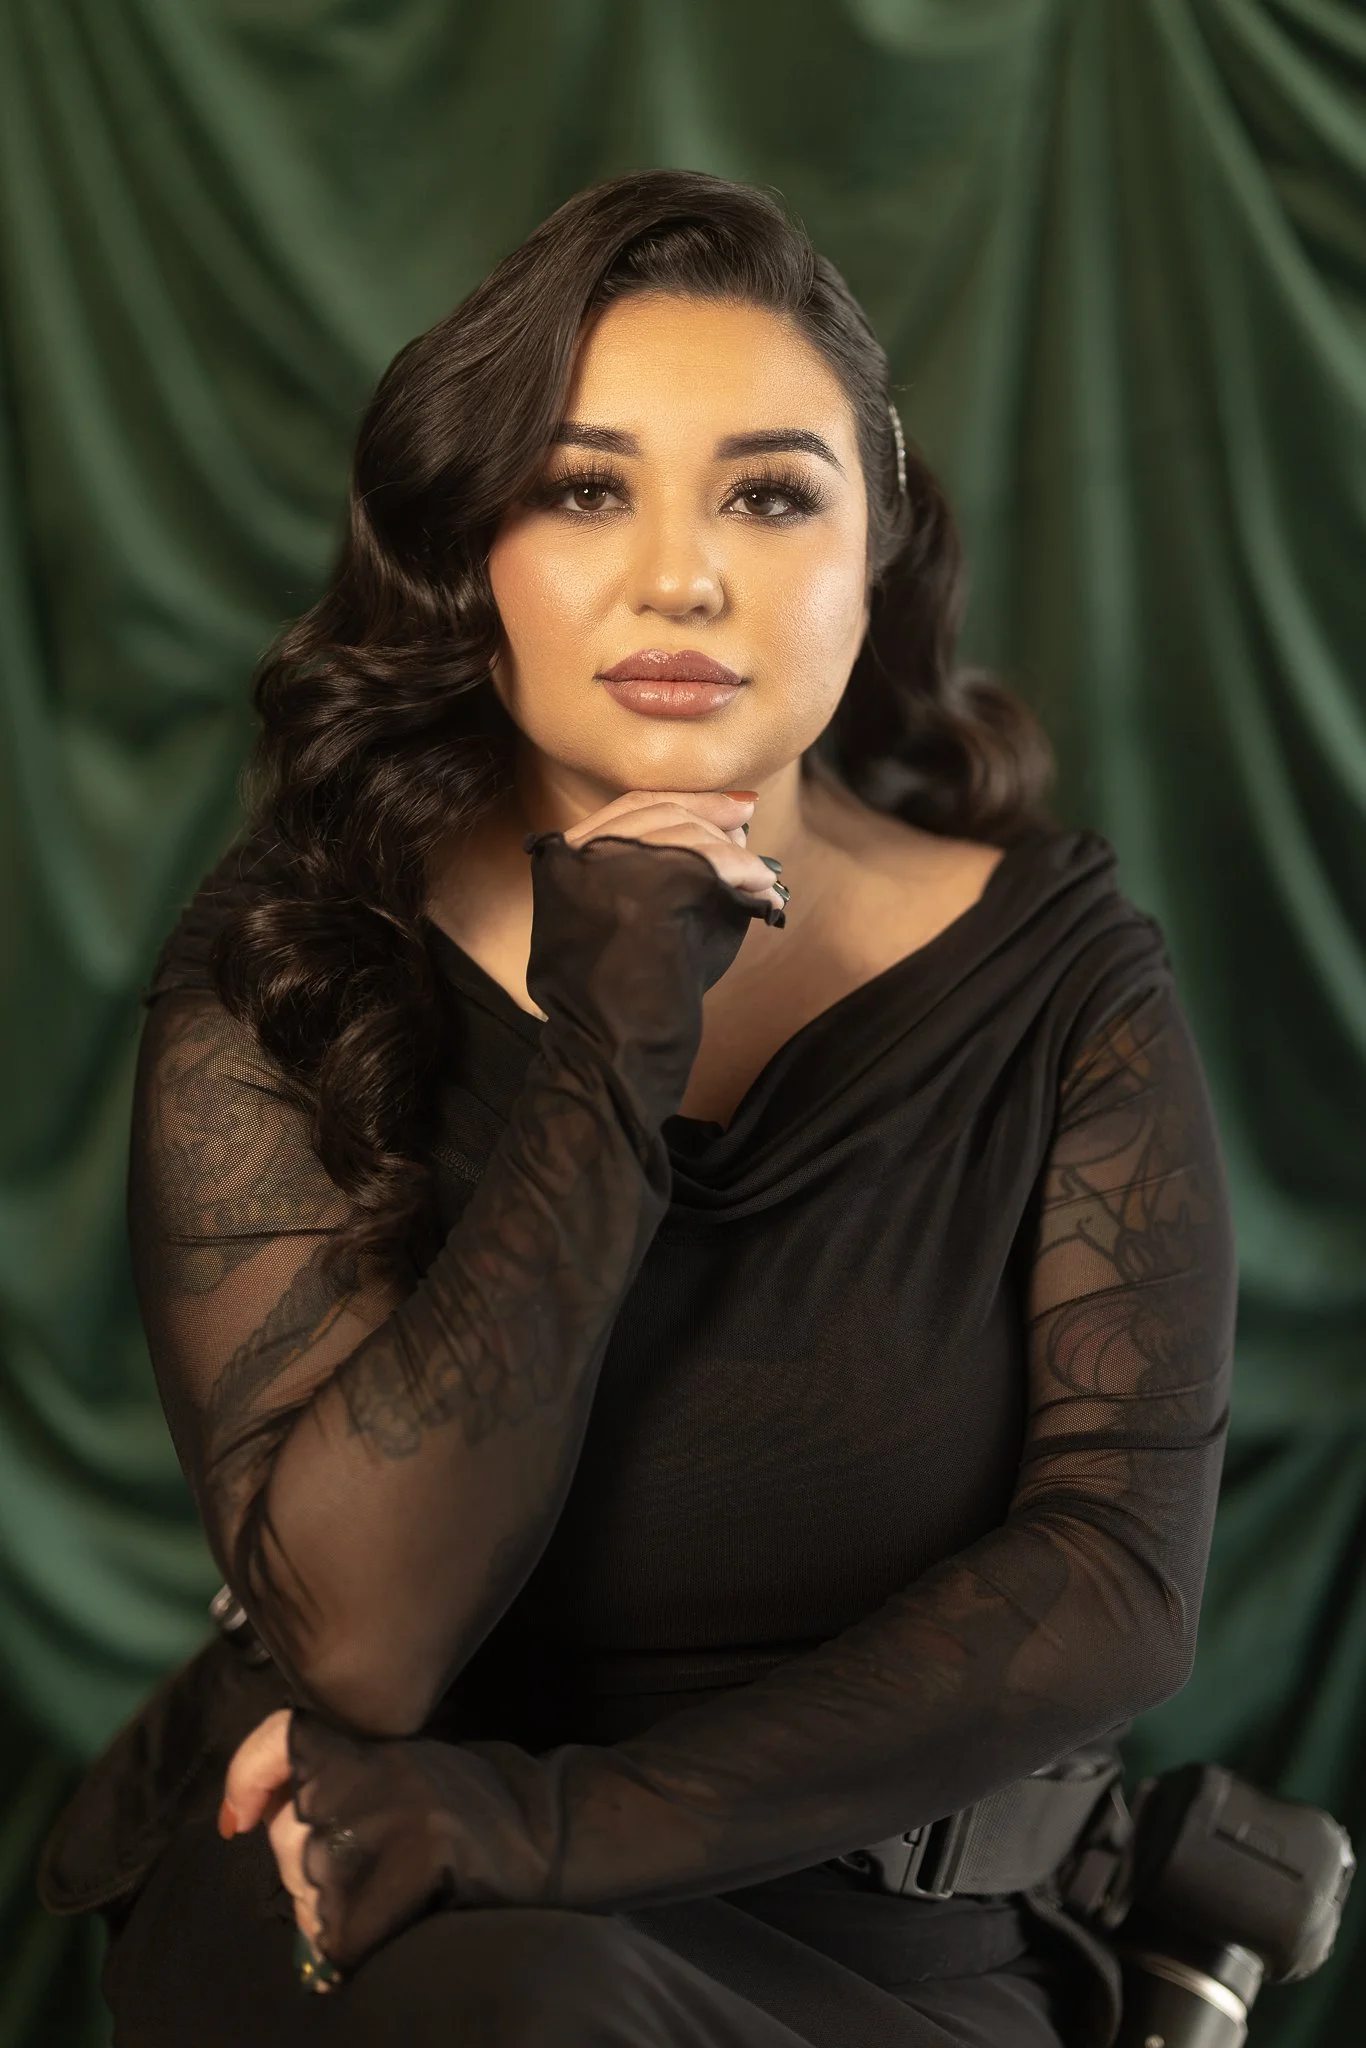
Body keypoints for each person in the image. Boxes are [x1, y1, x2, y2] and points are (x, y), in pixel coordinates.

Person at [39, 169, 1236, 2047]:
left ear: (876, 545)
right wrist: (611, 1039)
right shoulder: (295, 957)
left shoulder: (1062, 975)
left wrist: (558, 1824)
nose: (679, 573)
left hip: (878, 1952)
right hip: (381, 1904)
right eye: (583, 487)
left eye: (768, 493)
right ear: (468, 551)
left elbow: (1109, 1582)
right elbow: (364, 1635)